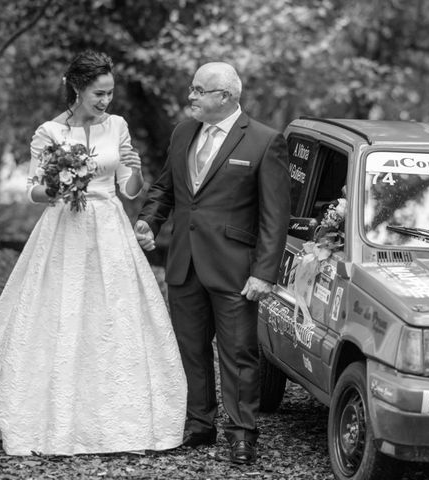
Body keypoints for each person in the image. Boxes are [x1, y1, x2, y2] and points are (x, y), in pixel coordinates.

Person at [0, 50, 187, 456]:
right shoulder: (48, 132)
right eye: (99, 94)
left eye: (110, 93)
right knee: (57, 312)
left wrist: (134, 169)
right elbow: (33, 190)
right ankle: (49, 415)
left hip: (109, 227)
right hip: (64, 226)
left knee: (113, 315)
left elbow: (129, 190)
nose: (106, 102)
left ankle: (120, 420)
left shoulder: (117, 125)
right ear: (78, 88)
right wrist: (58, 187)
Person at [135, 62, 291, 464]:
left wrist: (264, 274)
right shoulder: (183, 133)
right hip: (184, 262)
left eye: (199, 90)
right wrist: (148, 221)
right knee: (190, 347)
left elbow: (275, 218)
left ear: (225, 97)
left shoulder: (264, 141)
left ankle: (242, 433)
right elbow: (165, 187)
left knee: (239, 352)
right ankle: (198, 424)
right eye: (192, 88)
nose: (191, 96)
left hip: (236, 268)